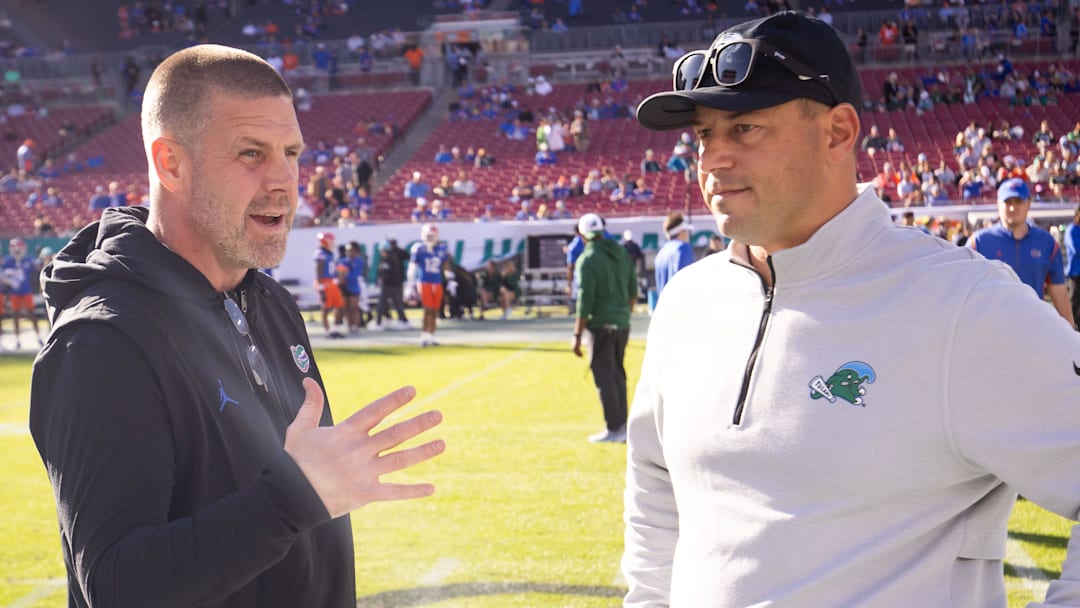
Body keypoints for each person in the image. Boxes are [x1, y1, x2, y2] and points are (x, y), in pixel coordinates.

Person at [629, 11, 1080, 607]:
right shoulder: (686, 301)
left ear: (839, 133)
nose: (712, 159)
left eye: (744, 128)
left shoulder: (961, 306)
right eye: (704, 134)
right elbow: (657, 492)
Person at [28, 44, 445, 608]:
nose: (283, 180)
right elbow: (116, 586)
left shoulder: (269, 300)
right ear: (171, 162)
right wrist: (293, 497)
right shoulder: (102, 342)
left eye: (291, 153)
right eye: (252, 154)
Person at [969, 178, 1075, 327]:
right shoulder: (978, 242)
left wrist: (1071, 335)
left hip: (1033, 328)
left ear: (1028, 203)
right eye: (1008, 202)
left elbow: (1058, 290)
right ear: (998, 204)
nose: (1012, 208)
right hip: (990, 330)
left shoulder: (1046, 243)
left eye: (1018, 202)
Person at [572, 212, 637, 444]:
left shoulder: (587, 260)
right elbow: (633, 291)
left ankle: (614, 427)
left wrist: (577, 334)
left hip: (600, 324)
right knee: (618, 374)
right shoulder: (622, 254)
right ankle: (623, 425)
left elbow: (584, 299)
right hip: (622, 324)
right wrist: (623, 316)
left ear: (582, 235)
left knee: (604, 377)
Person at [408, 223, 451, 347]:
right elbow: (412, 267)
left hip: (437, 282)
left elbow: (446, 265)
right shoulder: (419, 248)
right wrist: (410, 284)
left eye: (432, 236)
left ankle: (431, 335)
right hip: (424, 281)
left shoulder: (442, 248)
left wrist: (450, 278)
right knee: (428, 309)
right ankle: (424, 335)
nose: (429, 239)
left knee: (435, 311)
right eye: (428, 236)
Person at [2, 237, 45, 349]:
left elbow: (37, 268)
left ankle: (39, 337)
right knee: (15, 315)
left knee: (31, 314)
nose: (17, 250)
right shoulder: (8, 261)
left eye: (18, 248)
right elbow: (4, 276)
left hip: (26, 290)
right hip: (14, 292)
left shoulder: (28, 259)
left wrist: (41, 259)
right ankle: (17, 340)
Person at [653, 212, 695, 301]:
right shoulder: (683, 248)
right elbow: (686, 282)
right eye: (686, 230)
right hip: (680, 306)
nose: (687, 234)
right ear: (681, 231)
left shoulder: (661, 253)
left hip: (664, 307)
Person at [314, 231, 346, 338]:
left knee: (340, 305)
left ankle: (335, 330)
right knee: (326, 307)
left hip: (331, 282)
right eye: (330, 241)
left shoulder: (329, 253)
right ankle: (328, 331)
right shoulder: (320, 253)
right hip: (324, 282)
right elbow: (319, 270)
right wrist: (321, 286)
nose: (332, 243)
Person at [373, 238, 410, 330]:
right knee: (397, 304)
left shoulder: (389, 259)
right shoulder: (391, 258)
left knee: (383, 304)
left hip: (389, 285)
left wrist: (382, 281)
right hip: (394, 284)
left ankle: (379, 323)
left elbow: (387, 273)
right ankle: (402, 320)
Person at [1067, 205, 1080, 329]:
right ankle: (1071, 326)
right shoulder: (1071, 230)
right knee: (1074, 301)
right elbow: (1076, 249)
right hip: (1075, 273)